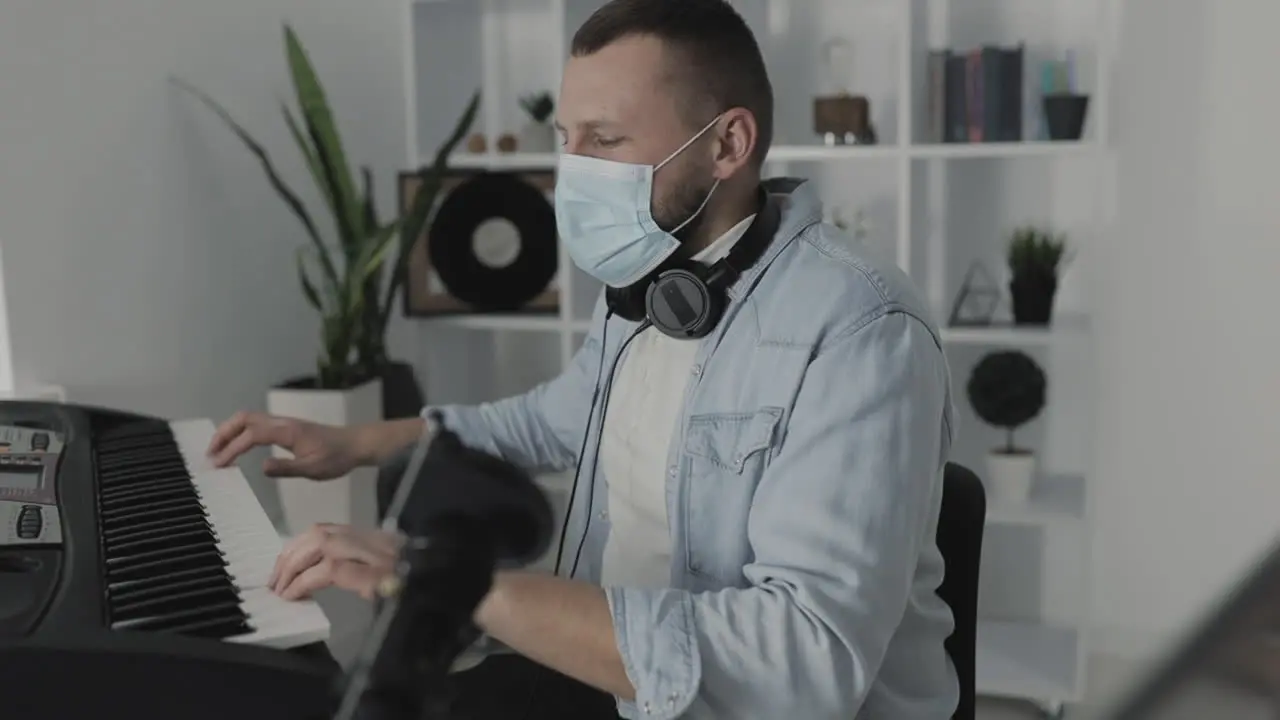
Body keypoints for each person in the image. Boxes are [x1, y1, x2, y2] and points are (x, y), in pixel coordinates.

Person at [208, 0, 958, 717]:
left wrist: (454, 585)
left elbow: (798, 666)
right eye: (566, 138)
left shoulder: (861, 328)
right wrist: (354, 444)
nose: (573, 171)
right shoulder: (646, 286)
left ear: (728, 144)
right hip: (611, 685)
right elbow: (549, 420)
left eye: (605, 140)